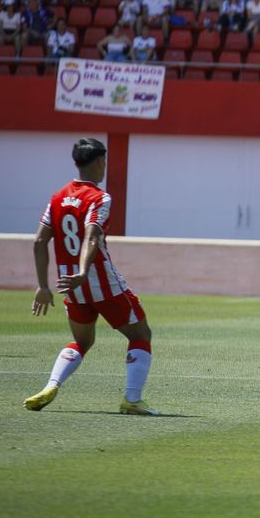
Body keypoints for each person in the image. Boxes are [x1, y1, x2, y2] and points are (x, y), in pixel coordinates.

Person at [24, 137, 159, 415]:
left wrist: (42, 286)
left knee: (83, 341)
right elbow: (92, 235)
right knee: (141, 334)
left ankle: (52, 384)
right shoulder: (100, 198)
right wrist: (85, 272)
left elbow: (39, 242)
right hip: (99, 281)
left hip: (69, 285)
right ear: (100, 162)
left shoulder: (58, 197)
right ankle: (132, 399)